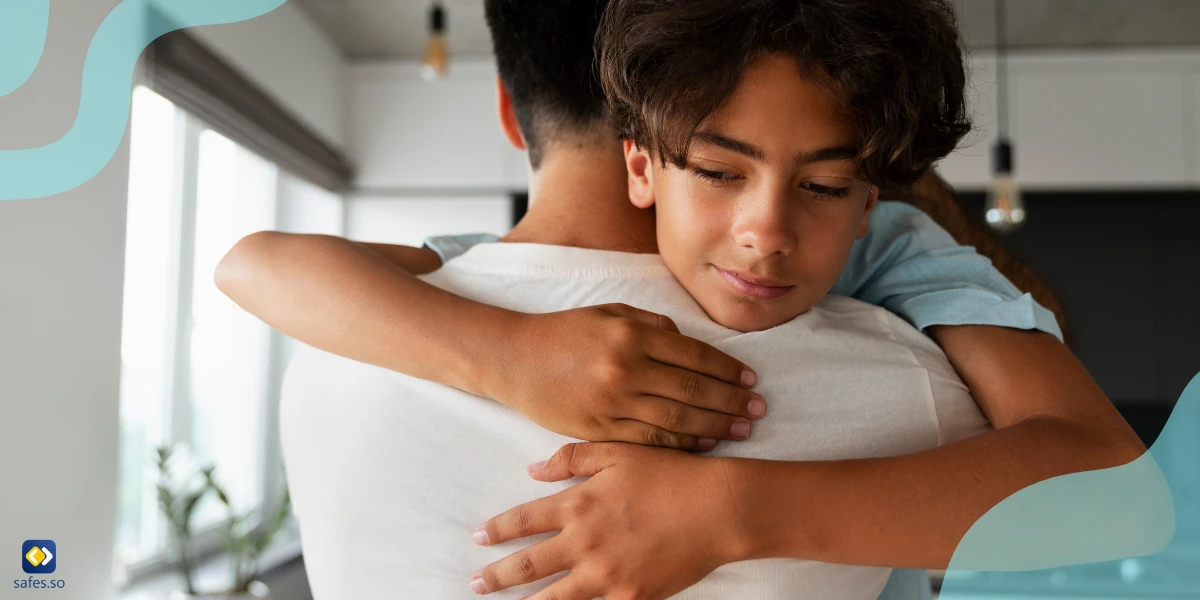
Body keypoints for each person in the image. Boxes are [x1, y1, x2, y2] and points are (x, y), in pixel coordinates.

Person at [216, 0, 1143, 598]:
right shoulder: (464, 285)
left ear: (867, 196)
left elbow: (1108, 482)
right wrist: (510, 356)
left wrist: (733, 508)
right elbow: (256, 262)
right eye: (716, 167)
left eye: (824, 186)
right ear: (643, 153)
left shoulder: (897, 256)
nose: (766, 232)